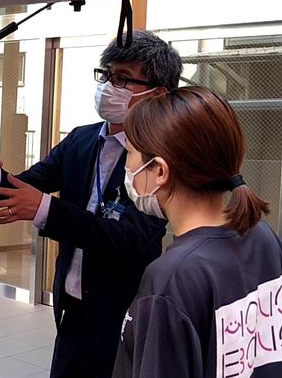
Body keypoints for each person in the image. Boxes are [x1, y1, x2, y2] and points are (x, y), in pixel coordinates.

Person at [0, 30, 182, 378]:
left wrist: (44, 210)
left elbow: (132, 239)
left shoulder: (160, 157)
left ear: (157, 93)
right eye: (106, 75)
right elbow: (31, 183)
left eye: (122, 79)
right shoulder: (82, 139)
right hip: (71, 304)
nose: (108, 86)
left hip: (124, 308)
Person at [112, 86, 282, 377]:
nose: (126, 166)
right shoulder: (262, 236)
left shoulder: (170, 278)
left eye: (129, 153)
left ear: (159, 171)